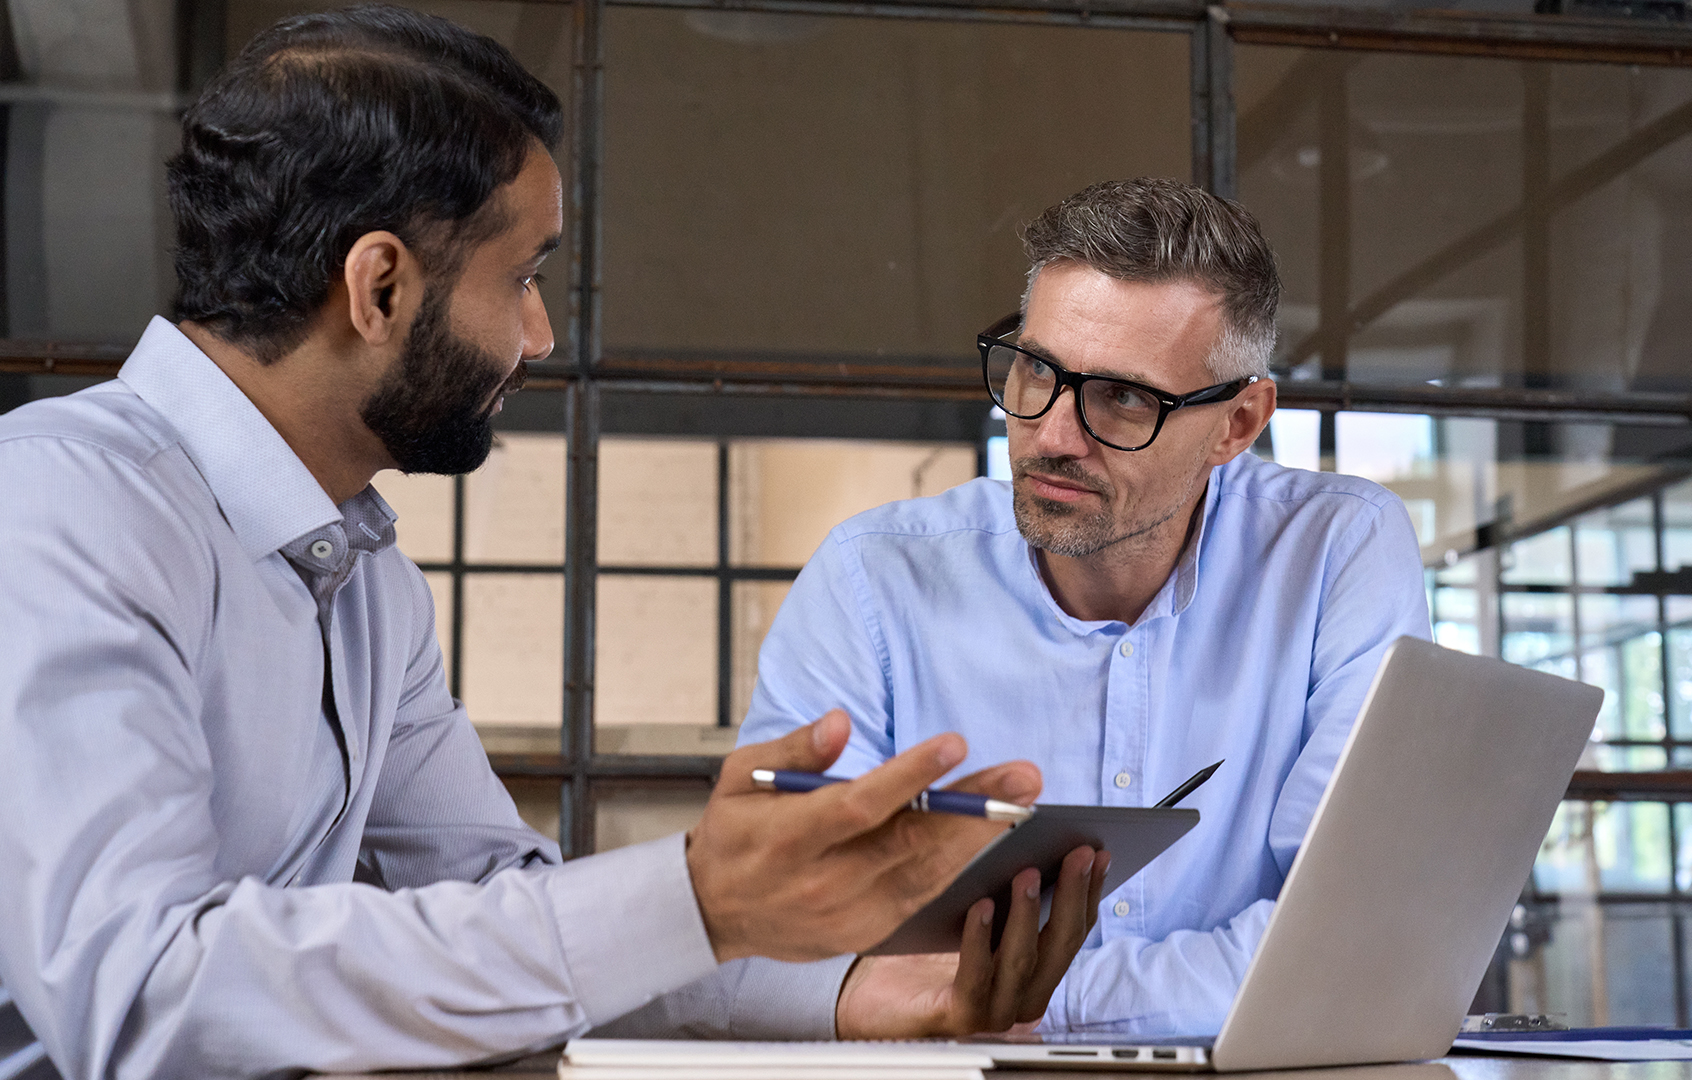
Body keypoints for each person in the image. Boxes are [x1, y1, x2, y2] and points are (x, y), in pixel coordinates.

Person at [0, 7, 1106, 1078]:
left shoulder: (365, 576)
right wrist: (698, 899)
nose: (539, 338)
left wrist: (859, 994)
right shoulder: (59, 507)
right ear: (378, 286)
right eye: (521, 280)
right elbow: (139, 999)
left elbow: (501, 902)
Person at [610, 177, 1431, 1040]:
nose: (1052, 435)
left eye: (1124, 398)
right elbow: (757, 941)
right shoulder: (874, 581)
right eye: (1037, 369)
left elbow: (1352, 939)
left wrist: (1015, 1002)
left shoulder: (1339, 551)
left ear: (1237, 424)